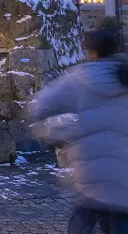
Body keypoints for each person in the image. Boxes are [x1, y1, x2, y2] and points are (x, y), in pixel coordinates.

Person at [28, 30, 128, 234]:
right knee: (121, 217)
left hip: (91, 165)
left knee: (85, 215)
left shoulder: (80, 78)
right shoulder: (125, 76)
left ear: (91, 52)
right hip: (125, 165)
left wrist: (56, 134)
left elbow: (40, 107)